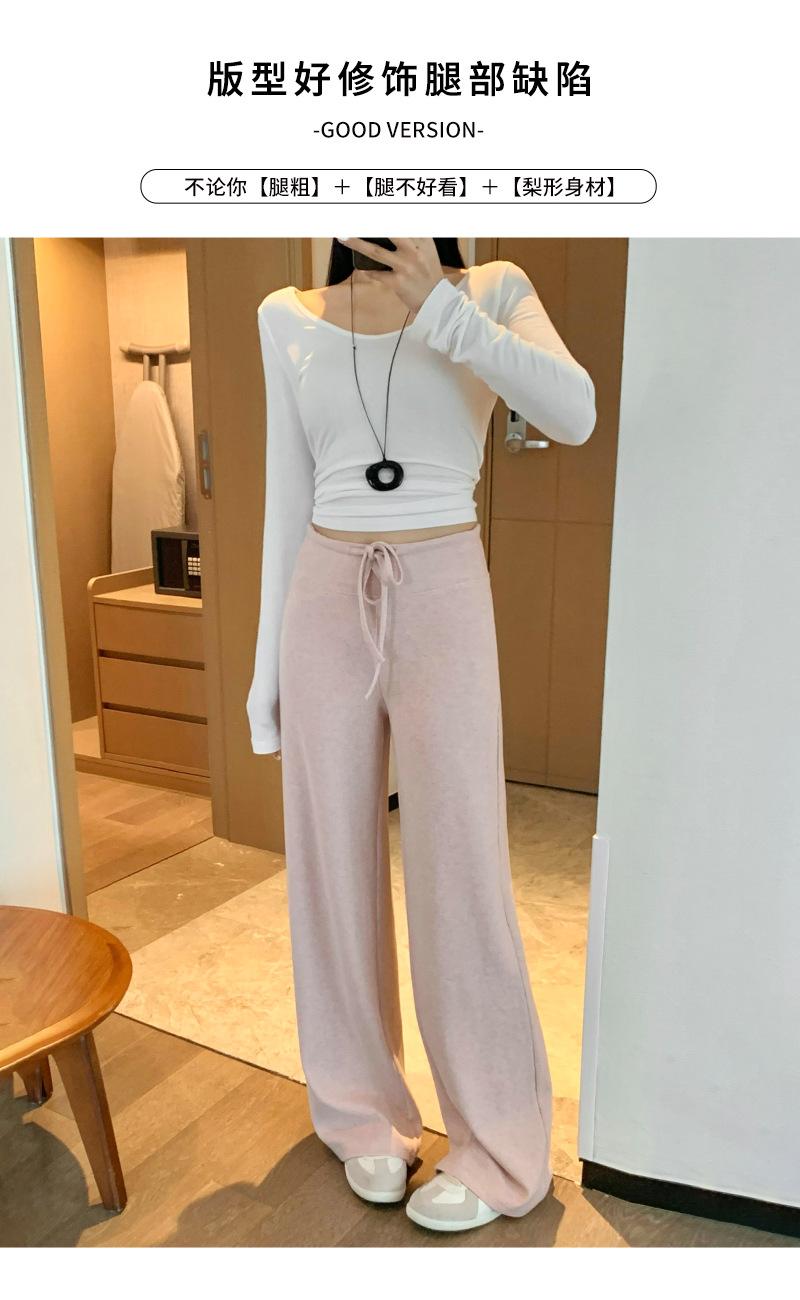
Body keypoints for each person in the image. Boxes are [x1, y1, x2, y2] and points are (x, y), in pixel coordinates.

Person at [246, 237, 596, 1232]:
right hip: (324, 592)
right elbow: (288, 498)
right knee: (329, 866)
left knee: (459, 865)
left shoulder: (491, 291)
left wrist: (440, 307)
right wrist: (267, 672)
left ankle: (498, 1146)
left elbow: (573, 412)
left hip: (442, 585)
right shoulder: (283, 316)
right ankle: (361, 1111)